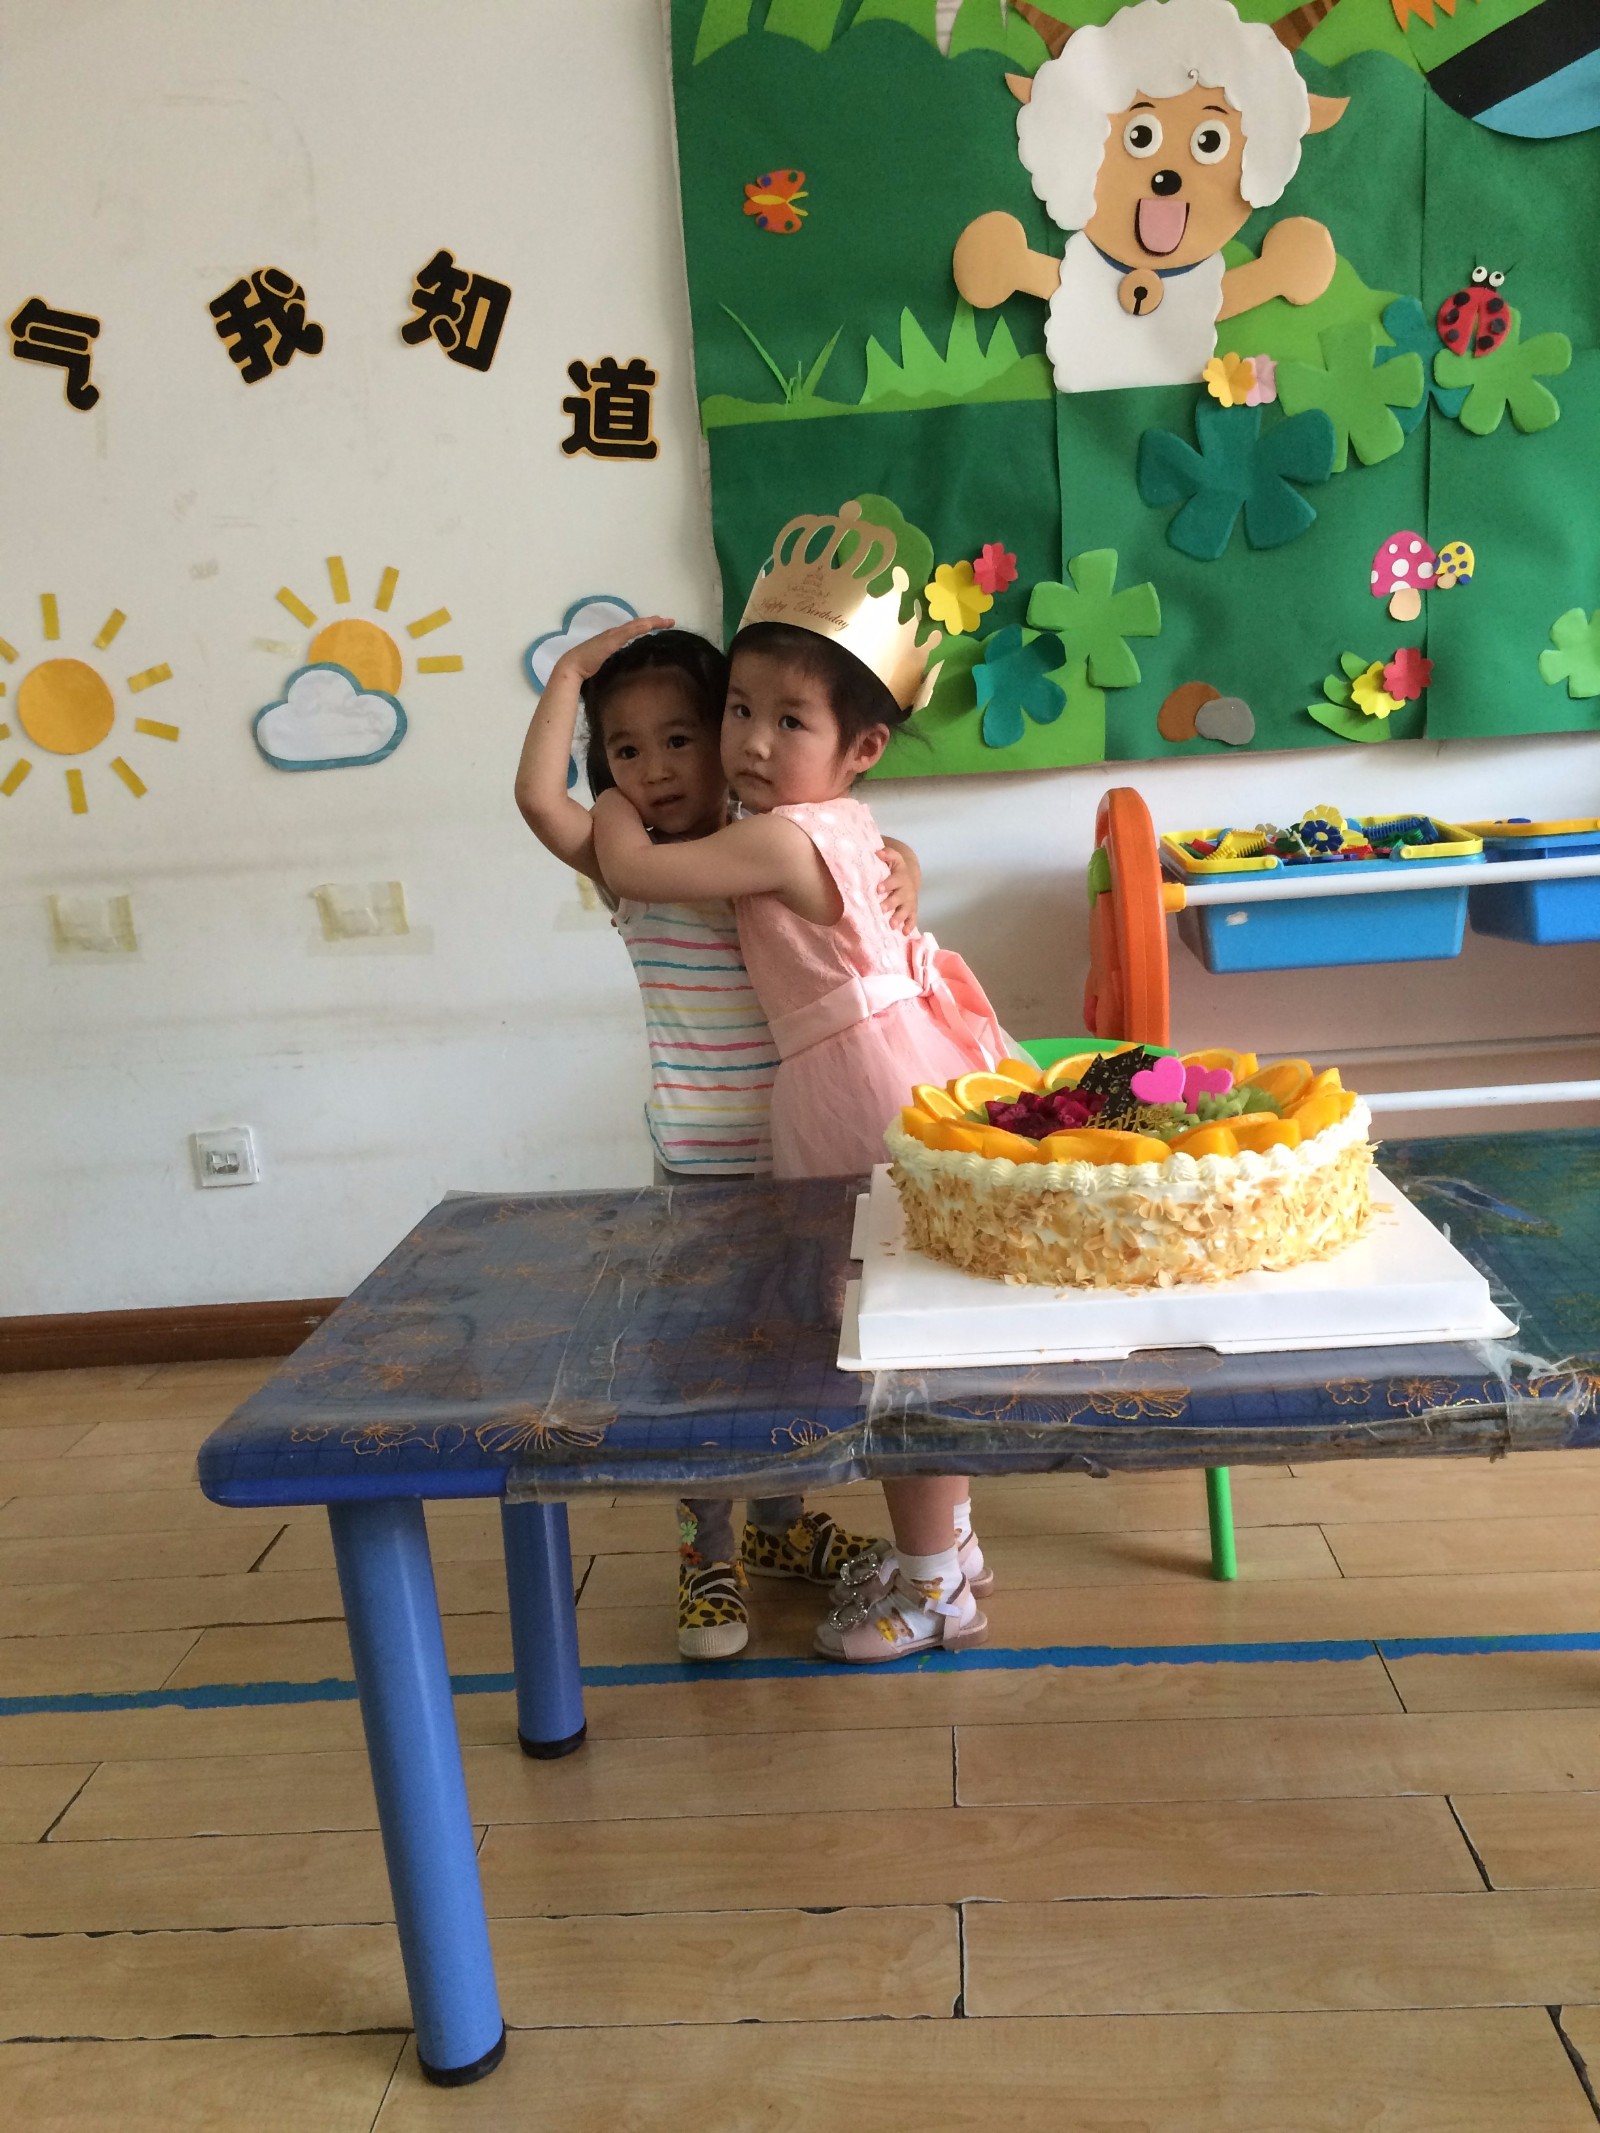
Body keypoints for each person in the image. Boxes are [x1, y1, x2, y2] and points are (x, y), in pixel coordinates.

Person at [592, 528, 1011, 1664]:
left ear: (862, 746)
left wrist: (614, 800)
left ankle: (933, 1589)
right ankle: (951, 1549)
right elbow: (867, 863)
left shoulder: (778, 840)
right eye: (740, 711)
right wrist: (906, 857)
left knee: (888, 1338)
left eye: (789, 722)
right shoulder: (840, 823)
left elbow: (630, 868)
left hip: (858, 1093)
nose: (750, 743)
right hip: (901, 1067)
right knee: (909, 1321)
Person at [514, 615, 915, 1660]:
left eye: (680, 737)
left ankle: (780, 1525)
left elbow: (857, 842)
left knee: (794, 1354)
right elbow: (538, 801)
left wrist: (906, 862)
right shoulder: (629, 865)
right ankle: (709, 1552)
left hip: (801, 1156)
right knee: (702, 1366)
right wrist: (569, 675)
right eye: (624, 750)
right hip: (699, 1166)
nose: (652, 769)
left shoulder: (764, 839)